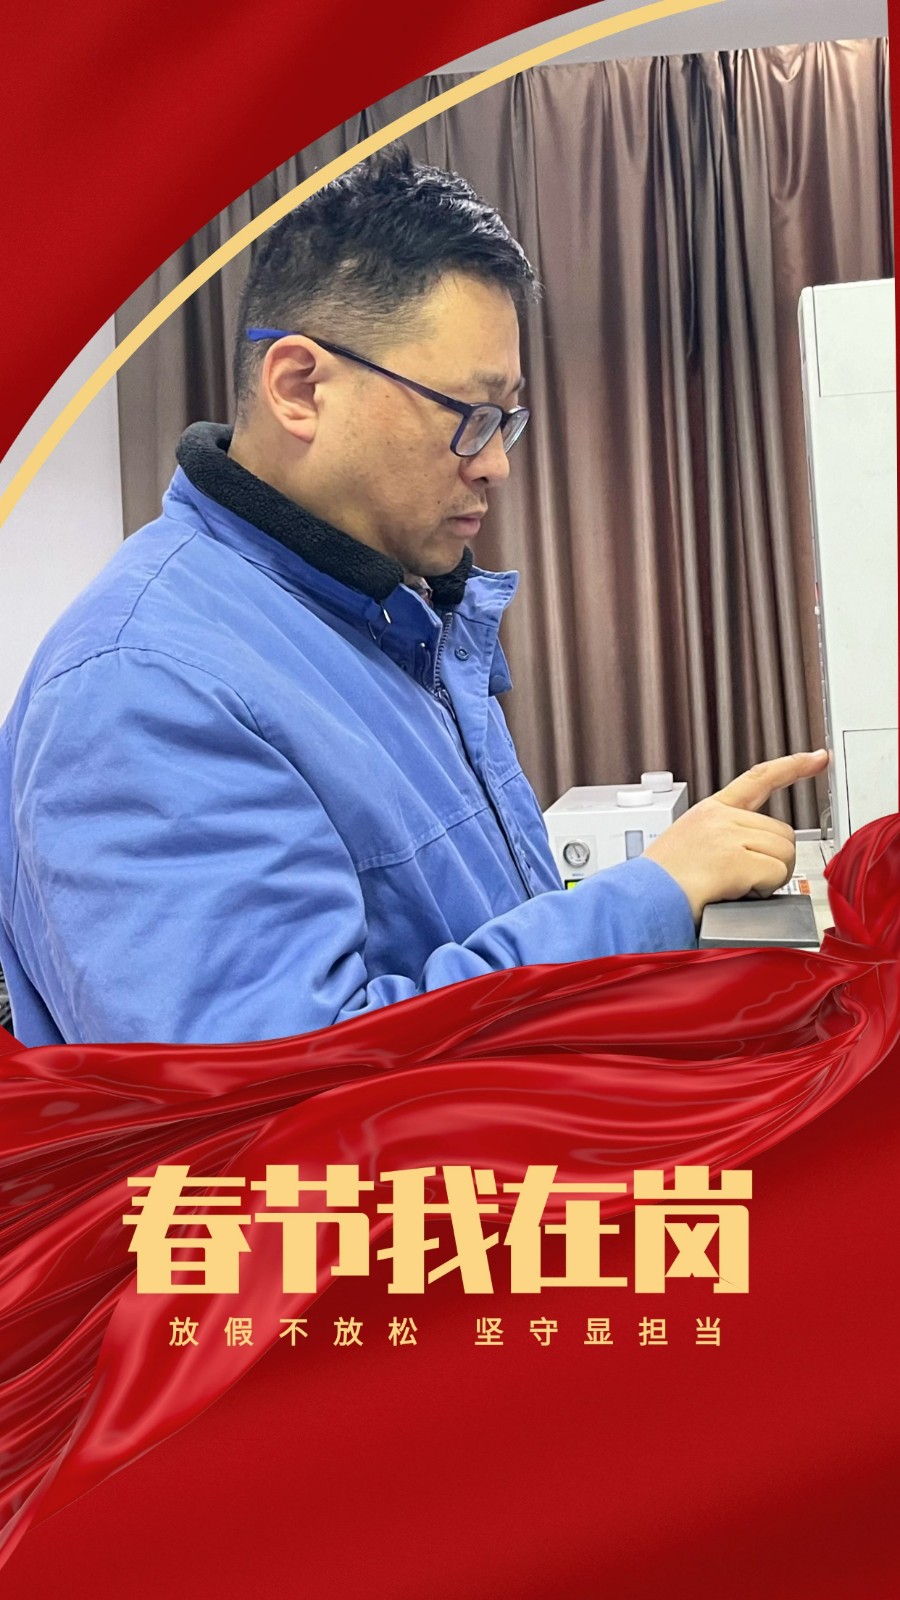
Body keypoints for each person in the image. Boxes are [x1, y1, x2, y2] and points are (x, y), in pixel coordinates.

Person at [0, 147, 826, 1046]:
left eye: (507, 419)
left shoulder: (387, 613)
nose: (496, 463)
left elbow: (463, 940)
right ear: (300, 388)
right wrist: (647, 898)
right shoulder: (144, 683)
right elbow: (274, 1091)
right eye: (470, 416)